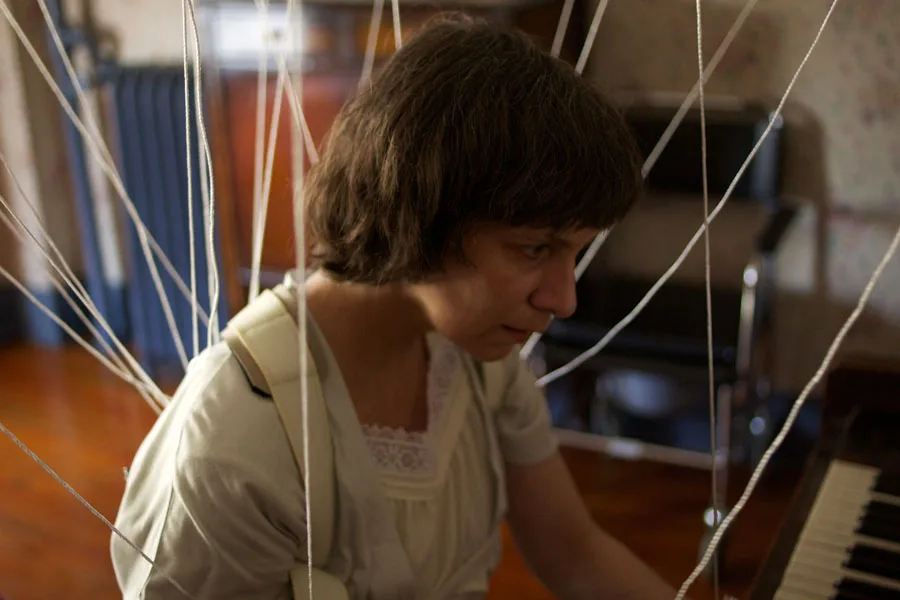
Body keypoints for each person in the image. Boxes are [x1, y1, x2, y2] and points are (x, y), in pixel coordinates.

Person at [110, 13, 683, 600]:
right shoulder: (233, 447)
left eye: (576, 254)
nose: (564, 298)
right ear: (420, 211)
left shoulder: (478, 365)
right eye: (535, 249)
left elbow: (575, 553)